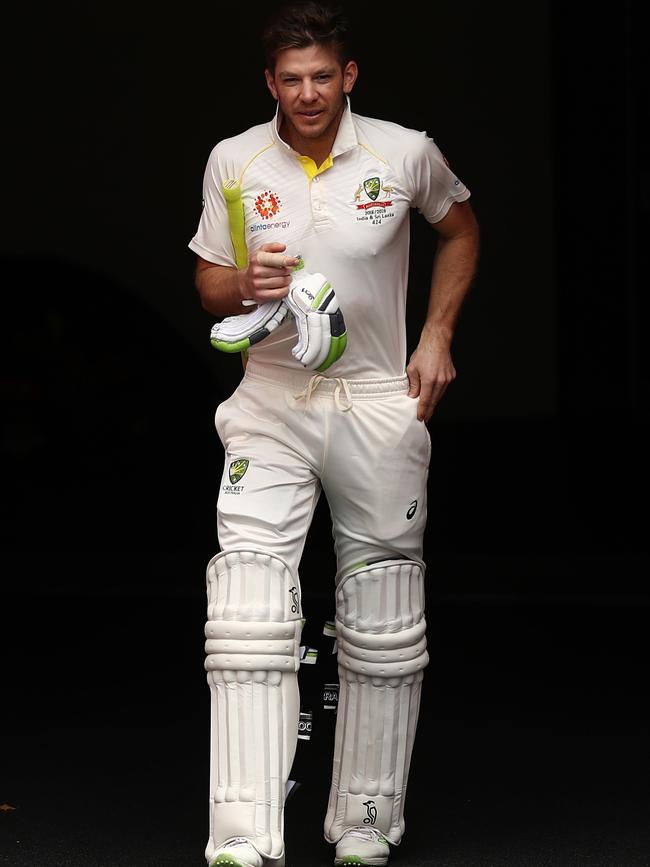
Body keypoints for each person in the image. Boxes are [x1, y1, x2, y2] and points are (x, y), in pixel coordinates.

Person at [188, 2, 480, 865]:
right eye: (291, 79)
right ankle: (242, 829)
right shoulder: (235, 160)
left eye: (323, 76)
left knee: (385, 606)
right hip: (272, 394)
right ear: (269, 83)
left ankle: (366, 820)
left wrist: (437, 336)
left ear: (347, 77)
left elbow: (460, 228)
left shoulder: (402, 151)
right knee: (245, 603)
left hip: (374, 396)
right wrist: (243, 280)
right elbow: (206, 287)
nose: (308, 93)